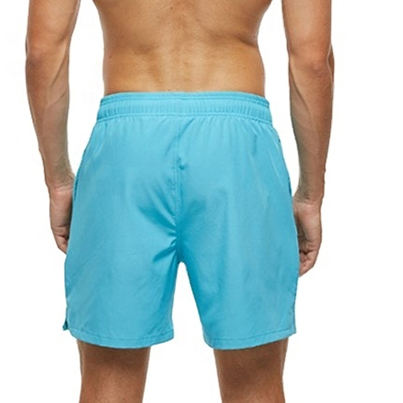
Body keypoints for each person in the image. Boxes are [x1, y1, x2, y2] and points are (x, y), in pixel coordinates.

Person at [26, 0, 333, 401]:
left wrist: (58, 182)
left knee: (109, 379)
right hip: (236, 152)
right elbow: (312, 61)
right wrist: (310, 195)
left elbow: (43, 52)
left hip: (126, 150)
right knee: (254, 383)